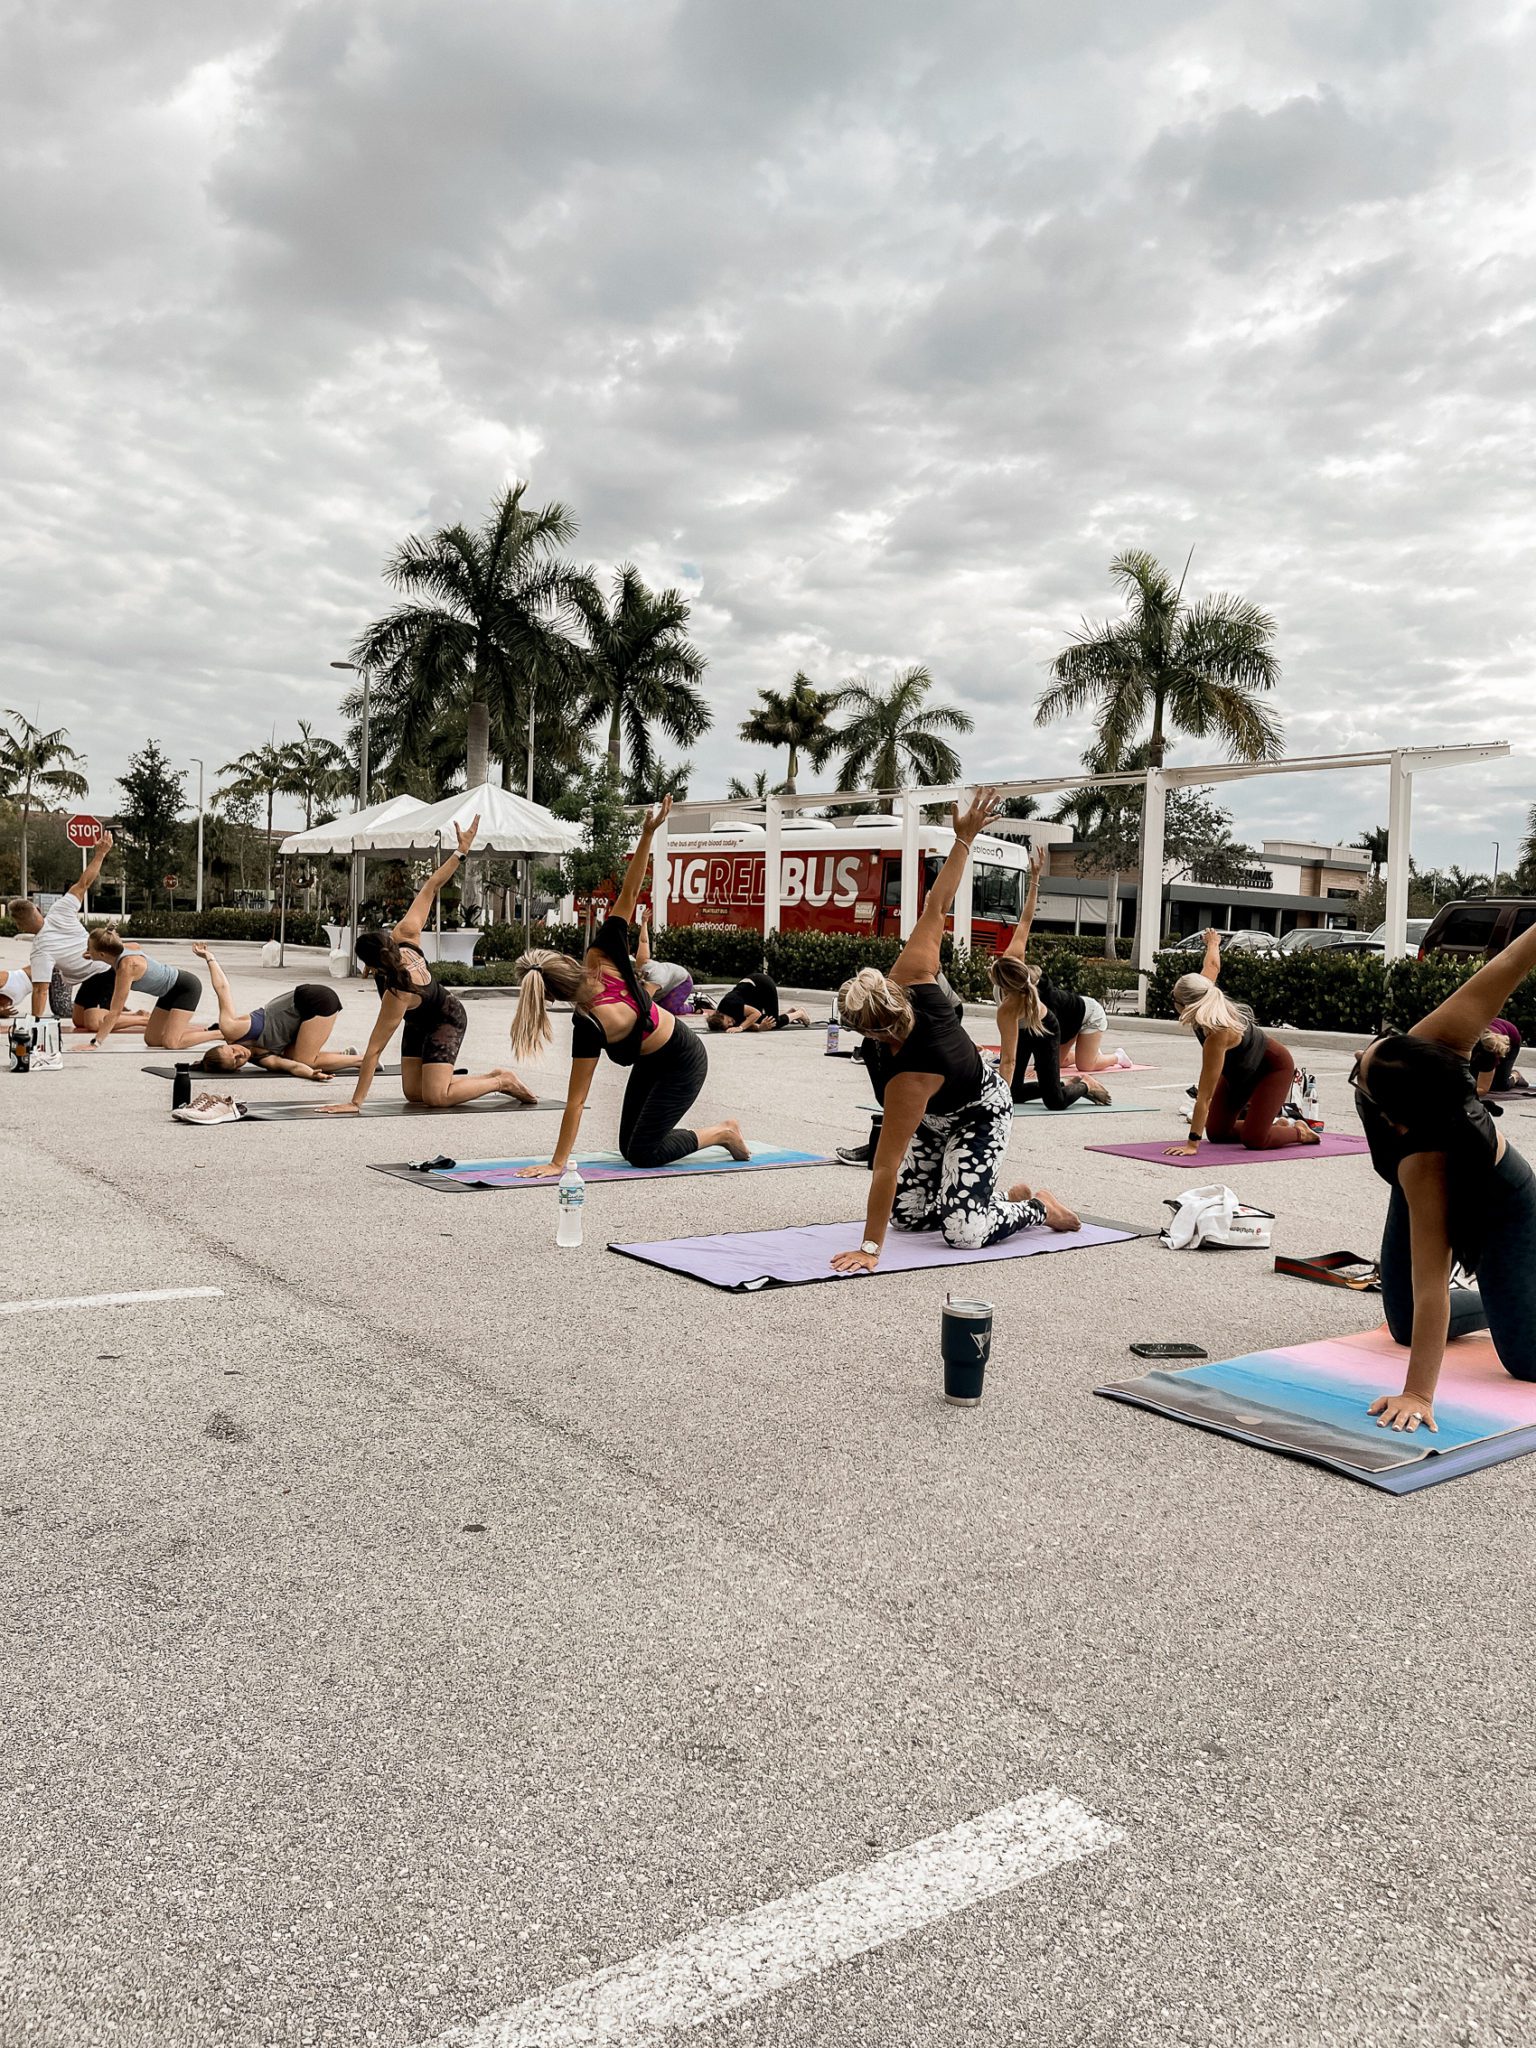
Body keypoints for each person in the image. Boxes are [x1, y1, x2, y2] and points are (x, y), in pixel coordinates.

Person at [829, 790, 1080, 1273]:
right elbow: (936, 904)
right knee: (906, 1217)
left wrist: (869, 1249)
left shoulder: (909, 1074)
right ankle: (994, 1200)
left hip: (980, 1112)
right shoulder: (911, 970)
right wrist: (963, 838)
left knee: (962, 1233)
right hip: (935, 1119)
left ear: (877, 1029)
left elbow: (884, 1165)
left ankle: (1037, 1209)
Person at [1352, 919, 1536, 1433]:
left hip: (1505, 1202)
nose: (1358, 1067)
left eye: (1360, 1078)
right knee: (1406, 1327)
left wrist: (1417, 1394)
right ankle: (1497, 1300)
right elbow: (1513, 960)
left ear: (1397, 1121)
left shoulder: (1424, 1166)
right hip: (1419, 1173)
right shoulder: (1437, 1039)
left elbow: (1434, 1285)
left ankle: (1515, 1297)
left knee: (1528, 1362)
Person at [508, 797, 748, 1173]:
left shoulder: (588, 1022)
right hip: (653, 1060)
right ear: (566, 962)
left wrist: (558, 1164)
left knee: (643, 1154)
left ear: (550, 994)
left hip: (684, 1059)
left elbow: (576, 1100)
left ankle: (722, 1131)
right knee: (629, 1147)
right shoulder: (601, 954)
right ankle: (703, 1133)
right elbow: (630, 894)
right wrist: (647, 834)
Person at [318, 817, 536, 1114]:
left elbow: (374, 1050)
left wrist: (355, 1102)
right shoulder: (405, 934)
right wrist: (461, 851)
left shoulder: (398, 993)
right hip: (419, 1020)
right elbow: (432, 885)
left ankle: (501, 1081)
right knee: (414, 1094)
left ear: (373, 964)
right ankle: (483, 1078)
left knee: (436, 1097)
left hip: (446, 1017)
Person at [1164, 930, 1318, 1157]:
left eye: (1174, 999)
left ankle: (1299, 1132)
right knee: (1217, 1132)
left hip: (1272, 1068)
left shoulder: (1216, 1034)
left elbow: (1204, 1095)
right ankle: (1273, 1125)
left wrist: (1192, 1144)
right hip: (1240, 1072)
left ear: (1186, 1006)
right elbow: (1213, 965)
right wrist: (1213, 943)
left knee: (1255, 1139)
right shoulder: (1204, 991)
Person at [992, 849, 1112, 1111]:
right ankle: (1061, 1082)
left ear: (1003, 985)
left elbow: (1009, 1063)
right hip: (1025, 1030)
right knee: (1011, 1091)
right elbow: (1025, 919)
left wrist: (996, 1107)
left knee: (1054, 1102)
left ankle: (1084, 1085)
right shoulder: (1013, 958)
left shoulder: (1008, 1008)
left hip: (1046, 1028)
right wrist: (1034, 878)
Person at [190, 944, 360, 1080]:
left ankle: (365, 1062)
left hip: (313, 999)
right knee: (294, 1058)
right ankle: (344, 1056)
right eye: (236, 1062)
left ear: (224, 1045)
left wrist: (209, 958)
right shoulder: (264, 1059)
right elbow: (291, 1067)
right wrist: (310, 1074)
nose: (239, 1055)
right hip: (304, 1014)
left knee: (305, 1060)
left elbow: (222, 988)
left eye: (232, 1051)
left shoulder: (232, 1029)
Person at [9, 834, 120, 1023]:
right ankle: (125, 1011)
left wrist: (34, 1024)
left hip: (105, 973)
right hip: (101, 972)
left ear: (20, 926)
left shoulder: (40, 949)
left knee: (97, 1022)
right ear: (37, 909)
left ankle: (143, 1018)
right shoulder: (59, 909)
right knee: (78, 1020)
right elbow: (84, 884)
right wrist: (100, 854)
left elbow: (40, 990)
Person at [75, 930, 215, 1052]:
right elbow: (133, 946)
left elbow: (115, 1012)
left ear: (102, 954)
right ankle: (190, 1032)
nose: (87, 951)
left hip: (185, 987)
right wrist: (94, 954)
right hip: (168, 992)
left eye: (89, 948)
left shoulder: (126, 968)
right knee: (152, 1040)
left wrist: (95, 1043)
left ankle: (220, 1032)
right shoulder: (124, 948)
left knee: (172, 1043)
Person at [633, 906, 696, 1017]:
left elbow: (643, 1005)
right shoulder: (642, 963)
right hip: (666, 976)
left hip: (682, 981)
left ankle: (693, 1006)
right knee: (658, 1005)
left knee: (668, 1009)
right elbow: (644, 941)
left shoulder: (653, 982)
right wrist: (644, 922)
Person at [700, 972, 811, 1033]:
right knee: (763, 1022)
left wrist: (741, 1028)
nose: (731, 1024)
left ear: (722, 1014)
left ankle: (799, 1013)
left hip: (763, 985)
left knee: (773, 1022)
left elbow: (755, 1013)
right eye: (728, 1026)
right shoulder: (728, 1014)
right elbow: (749, 1022)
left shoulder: (730, 1004)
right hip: (751, 992)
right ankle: (789, 1013)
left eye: (728, 1021)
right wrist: (759, 1027)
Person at [1471, 1020, 1529, 1096]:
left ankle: (1516, 1075)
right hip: (1489, 1031)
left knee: (1500, 1084)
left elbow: (1483, 1088)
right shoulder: (1465, 1039)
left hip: (1511, 1038)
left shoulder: (1490, 1052)